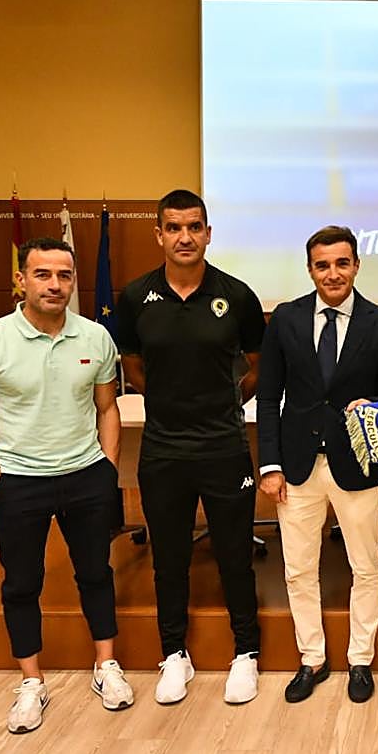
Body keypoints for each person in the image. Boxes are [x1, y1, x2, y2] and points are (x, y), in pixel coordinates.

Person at [0, 237, 133, 734]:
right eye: (42, 274)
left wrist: (107, 468)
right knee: (21, 584)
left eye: (64, 275)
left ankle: (106, 665)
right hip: (20, 482)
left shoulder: (96, 338)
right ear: (21, 280)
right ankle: (31, 682)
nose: (55, 285)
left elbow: (107, 408)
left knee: (96, 573)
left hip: (86, 476)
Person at [117, 189, 265, 706]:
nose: (185, 237)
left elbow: (256, 363)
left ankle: (246, 652)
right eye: (174, 228)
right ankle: (174, 653)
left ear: (208, 233)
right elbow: (132, 364)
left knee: (234, 556)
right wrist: (166, 400)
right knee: (169, 558)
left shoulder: (237, 295)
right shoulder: (136, 297)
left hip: (224, 446)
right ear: (159, 234)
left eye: (194, 227)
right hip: (163, 449)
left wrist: (224, 401)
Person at [256, 225, 378, 705]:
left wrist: (376, 406)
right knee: (299, 569)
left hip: (356, 463)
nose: (333, 273)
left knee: (366, 565)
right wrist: (270, 464)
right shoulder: (286, 319)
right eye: (323, 265)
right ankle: (312, 658)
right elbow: (268, 396)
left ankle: (360, 658)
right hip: (297, 467)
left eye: (342, 263)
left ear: (356, 265)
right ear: (310, 269)